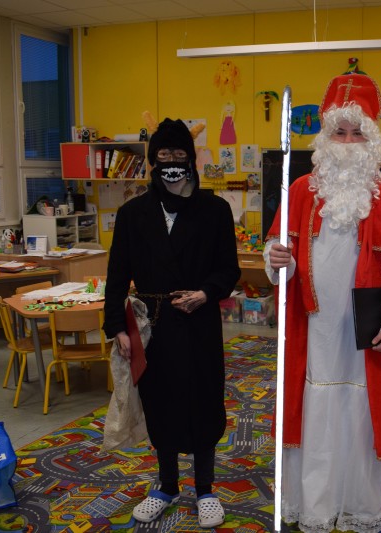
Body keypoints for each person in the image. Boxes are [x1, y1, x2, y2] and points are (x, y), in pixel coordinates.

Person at [264, 73, 381, 533]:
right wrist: (276, 258)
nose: (349, 143)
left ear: (373, 139)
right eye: (340, 132)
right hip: (315, 332)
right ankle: (316, 509)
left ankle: (361, 509)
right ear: (325, 137)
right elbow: (279, 257)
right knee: (315, 418)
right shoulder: (299, 191)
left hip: (366, 339)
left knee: (363, 419)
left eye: (358, 133)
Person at [103, 118, 241, 528]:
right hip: (152, 326)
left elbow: (228, 269)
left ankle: (205, 489)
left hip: (198, 324)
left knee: (203, 401)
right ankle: (166, 485)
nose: (172, 163)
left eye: (179, 155)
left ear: (191, 160)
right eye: (163, 155)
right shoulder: (132, 214)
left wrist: (206, 293)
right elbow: (116, 275)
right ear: (153, 162)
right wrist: (118, 327)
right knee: (159, 402)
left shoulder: (215, 210)